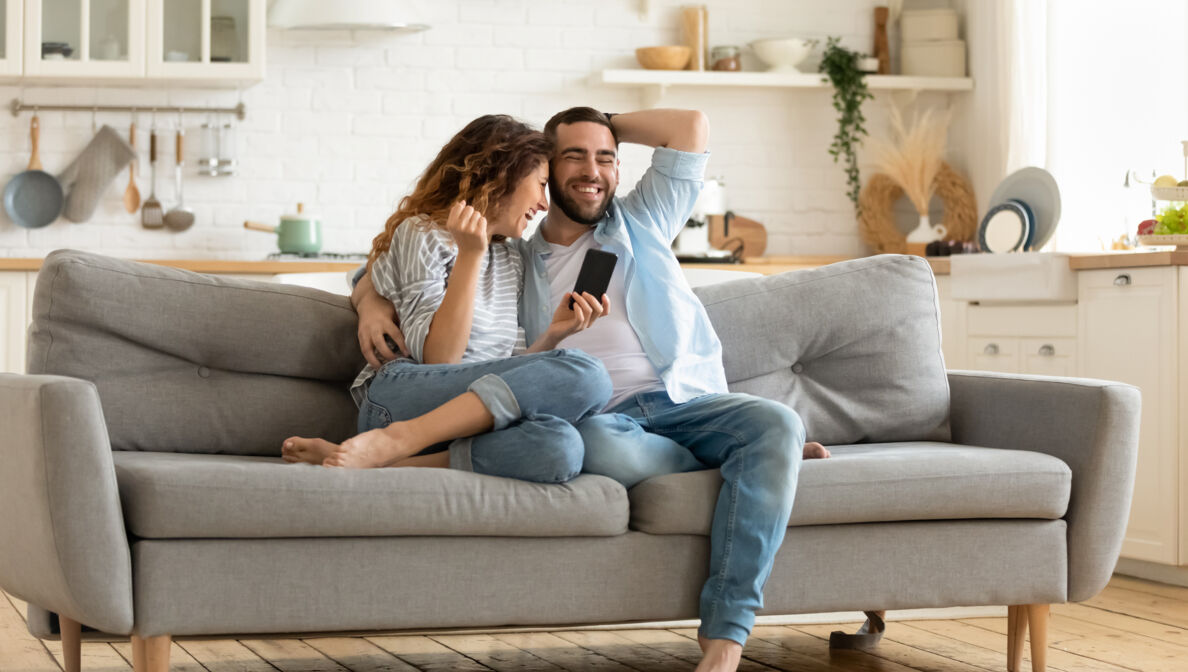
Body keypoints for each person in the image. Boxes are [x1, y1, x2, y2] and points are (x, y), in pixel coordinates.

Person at [355, 107, 826, 672]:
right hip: (603, 417)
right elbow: (399, 264)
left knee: (777, 422)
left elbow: (691, 126)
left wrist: (597, 123)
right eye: (572, 157)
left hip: (685, 403)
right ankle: (747, 462)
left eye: (606, 158)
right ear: (543, 172)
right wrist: (369, 302)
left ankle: (725, 640)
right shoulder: (513, 254)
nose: (592, 170)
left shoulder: (642, 220)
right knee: (592, 446)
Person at [283, 114, 613, 484]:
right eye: (539, 184)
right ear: (500, 176)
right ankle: (396, 439)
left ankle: (379, 460)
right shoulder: (423, 233)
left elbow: (502, 378)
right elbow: (441, 359)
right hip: (404, 399)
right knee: (589, 374)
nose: (542, 202)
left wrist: (553, 336)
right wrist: (470, 256)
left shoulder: (511, 257)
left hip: (466, 419)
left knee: (562, 447)